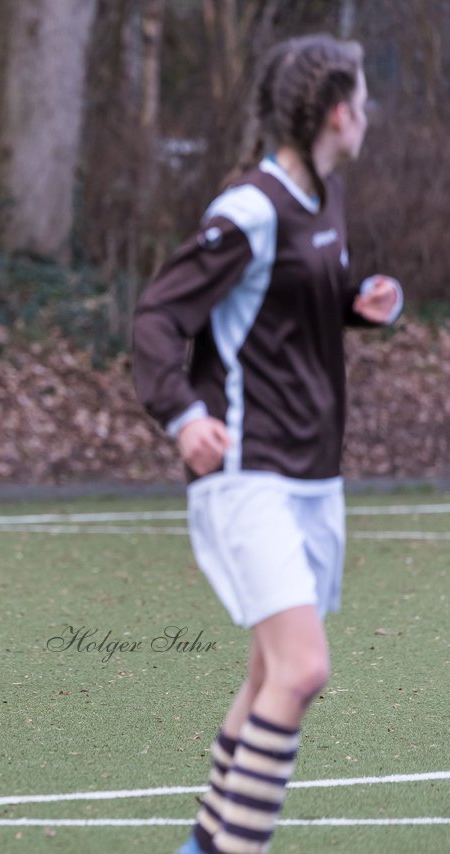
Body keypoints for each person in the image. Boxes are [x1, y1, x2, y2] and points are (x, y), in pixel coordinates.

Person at [132, 35, 402, 854]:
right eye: (364, 99)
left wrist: (360, 302)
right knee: (301, 669)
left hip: (314, 476)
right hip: (249, 473)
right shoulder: (250, 207)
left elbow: (288, 302)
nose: (371, 115)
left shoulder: (324, 196)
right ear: (338, 112)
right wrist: (182, 414)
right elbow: (157, 318)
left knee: (269, 675)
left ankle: (202, 846)